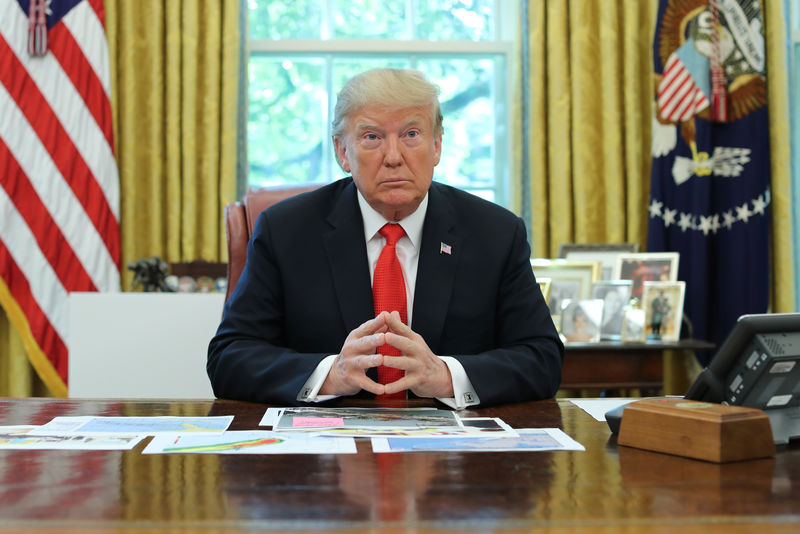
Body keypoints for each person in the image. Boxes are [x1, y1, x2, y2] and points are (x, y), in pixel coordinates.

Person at [207, 68, 563, 409]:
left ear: (437, 146)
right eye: (372, 137)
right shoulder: (286, 231)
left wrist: (445, 376)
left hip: (453, 457)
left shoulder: (495, 234)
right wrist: (333, 373)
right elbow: (230, 357)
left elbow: (542, 359)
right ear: (343, 152)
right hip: (325, 455)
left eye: (411, 134)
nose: (394, 157)